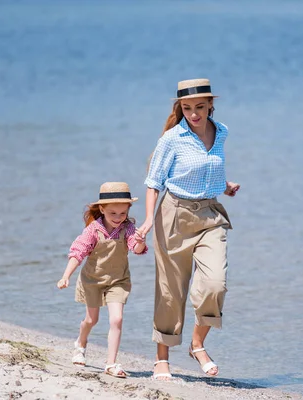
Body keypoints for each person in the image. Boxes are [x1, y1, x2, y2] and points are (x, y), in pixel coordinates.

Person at [136, 78, 240, 380]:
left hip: (210, 214)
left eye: (199, 107)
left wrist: (225, 185)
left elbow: (209, 167)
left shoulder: (221, 133)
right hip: (174, 217)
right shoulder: (172, 138)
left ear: (210, 106)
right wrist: (146, 221)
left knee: (215, 284)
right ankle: (162, 359)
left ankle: (197, 344)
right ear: (180, 108)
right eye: (187, 107)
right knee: (170, 291)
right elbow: (154, 182)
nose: (193, 113)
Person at [57, 182, 147, 378]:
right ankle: (81, 343)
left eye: (122, 213)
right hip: (93, 280)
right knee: (92, 319)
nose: (118, 218)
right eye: (113, 213)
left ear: (128, 211)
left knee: (117, 319)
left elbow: (136, 249)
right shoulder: (93, 229)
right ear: (102, 209)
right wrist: (66, 276)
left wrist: (140, 242)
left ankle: (111, 363)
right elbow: (78, 252)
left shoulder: (129, 228)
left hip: (118, 280)